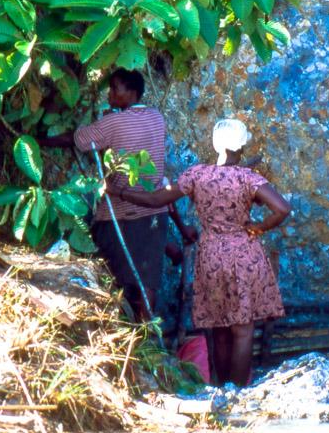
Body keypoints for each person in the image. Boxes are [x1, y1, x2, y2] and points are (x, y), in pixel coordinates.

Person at [112, 118, 290, 386]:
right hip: (243, 252)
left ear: (216, 145)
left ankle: (219, 388)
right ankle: (238, 391)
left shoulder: (196, 175)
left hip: (211, 255)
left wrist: (119, 191)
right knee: (242, 329)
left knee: (218, 327)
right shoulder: (248, 177)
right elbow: (283, 209)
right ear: (241, 147)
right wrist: (259, 227)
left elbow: (155, 199)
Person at [43, 68, 180, 320]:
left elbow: (80, 140)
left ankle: (125, 332)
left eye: (116, 88)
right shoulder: (156, 117)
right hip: (154, 212)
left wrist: (43, 139)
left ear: (132, 92)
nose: (110, 92)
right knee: (147, 280)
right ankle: (148, 334)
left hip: (121, 212)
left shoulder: (113, 122)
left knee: (115, 277)